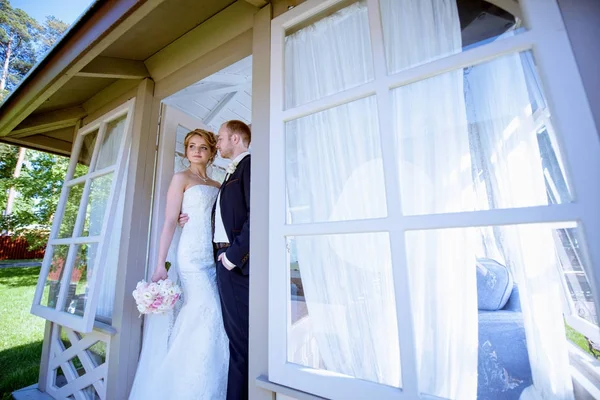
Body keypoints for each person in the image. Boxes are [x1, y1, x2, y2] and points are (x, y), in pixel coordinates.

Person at [129, 129, 229, 400]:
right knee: (206, 309)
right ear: (186, 151)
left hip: (213, 257)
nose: (196, 151)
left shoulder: (218, 186)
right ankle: (186, 387)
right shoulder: (180, 178)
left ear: (211, 152)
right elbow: (170, 221)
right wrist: (160, 264)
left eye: (203, 147)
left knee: (214, 314)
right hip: (191, 257)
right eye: (191, 146)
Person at [180, 120, 251, 400]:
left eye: (219, 139)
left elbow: (256, 215)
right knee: (236, 336)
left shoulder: (249, 166)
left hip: (234, 262)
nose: (217, 143)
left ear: (234, 138)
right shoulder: (230, 172)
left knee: (240, 340)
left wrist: (233, 257)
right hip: (214, 259)